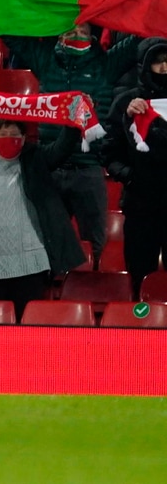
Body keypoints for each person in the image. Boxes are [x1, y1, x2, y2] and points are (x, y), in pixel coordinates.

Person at [1, 23, 141, 267]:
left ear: (92, 36)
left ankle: (91, 295)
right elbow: (11, 33)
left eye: (82, 32)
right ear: (59, 35)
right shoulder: (46, 60)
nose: (75, 36)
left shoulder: (107, 64)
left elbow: (140, 36)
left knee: (95, 245)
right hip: (50, 169)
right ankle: (48, 300)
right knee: (44, 241)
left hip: (88, 170)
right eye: (69, 31)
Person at [0, 123, 86, 319]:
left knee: (27, 331)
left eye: (14, 134)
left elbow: (62, 148)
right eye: (3, 134)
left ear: (23, 139)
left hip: (31, 266)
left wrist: (73, 122)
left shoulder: (36, 160)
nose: (9, 138)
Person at [108, 39, 167, 298]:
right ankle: (140, 331)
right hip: (141, 206)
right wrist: (131, 177)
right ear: (144, 65)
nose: (164, 66)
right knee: (139, 275)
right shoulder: (126, 103)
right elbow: (108, 152)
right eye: (157, 60)